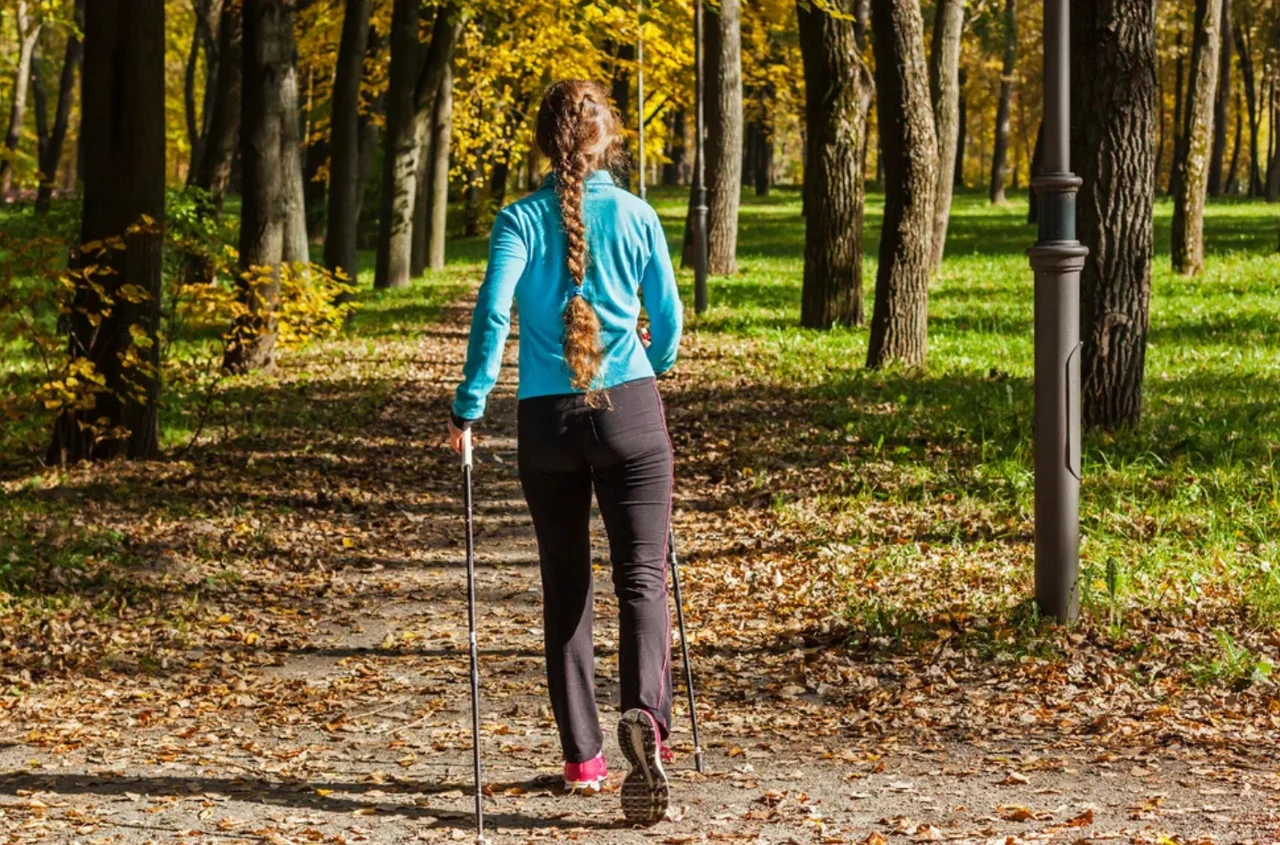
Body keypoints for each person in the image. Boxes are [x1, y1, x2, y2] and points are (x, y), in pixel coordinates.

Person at [447, 80, 684, 826]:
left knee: (565, 585)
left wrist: (469, 403)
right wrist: (658, 357)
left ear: (543, 141)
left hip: (545, 421)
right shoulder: (639, 214)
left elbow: (492, 310)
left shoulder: (518, 219)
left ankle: (583, 756)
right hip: (631, 413)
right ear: (606, 137)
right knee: (642, 576)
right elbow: (669, 322)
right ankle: (645, 719)